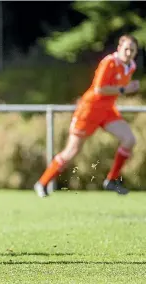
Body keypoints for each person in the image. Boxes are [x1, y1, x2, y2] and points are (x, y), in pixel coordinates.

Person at [34, 35, 140, 197]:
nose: (128, 52)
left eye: (132, 50)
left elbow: (116, 89)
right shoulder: (109, 62)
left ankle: (111, 180)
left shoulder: (131, 66)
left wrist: (124, 89)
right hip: (89, 109)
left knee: (129, 139)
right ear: (119, 48)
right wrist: (124, 89)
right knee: (71, 151)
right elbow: (99, 89)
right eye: (126, 49)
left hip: (107, 110)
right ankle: (42, 183)